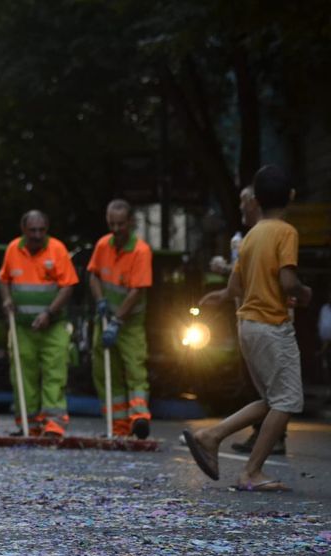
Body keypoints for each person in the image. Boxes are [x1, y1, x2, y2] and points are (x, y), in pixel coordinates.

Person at [183, 165, 312, 491]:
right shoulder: (286, 232)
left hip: (247, 325)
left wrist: (221, 296)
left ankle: (211, 435)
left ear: (256, 200)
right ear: (291, 196)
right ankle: (251, 472)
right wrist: (302, 292)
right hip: (271, 326)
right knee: (287, 401)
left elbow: (235, 285)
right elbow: (286, 280)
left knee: (271, 398)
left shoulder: (251, 235)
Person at [200, 185, 286, 454]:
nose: (239, 208)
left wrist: (298, 291)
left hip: (266, 320)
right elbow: (242, 280)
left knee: (278, 393)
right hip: (253, 319)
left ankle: (226, 439)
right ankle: (252, 451)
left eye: (243, 202)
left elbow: (265, 278)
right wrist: (225, 292)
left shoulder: (276, 234)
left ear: (256, 203)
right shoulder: (252, 237)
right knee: (274, 393)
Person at [0, 210, 79, 437]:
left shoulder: (57, 250)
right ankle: (28, 423)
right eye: (32, 230)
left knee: (55, 373)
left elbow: (68, 286)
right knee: (23, 375)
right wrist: (6, 299)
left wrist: (49, 313)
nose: (37, 235)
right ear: (24, 230)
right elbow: (4, 280)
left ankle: (53, 425)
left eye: (41, 230)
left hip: (53, 326)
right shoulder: (14, 249)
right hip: (23, 327)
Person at [88, 199, 153, 439]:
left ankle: (139, 418)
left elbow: (136, 291)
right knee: (106, 371)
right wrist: (100, 301)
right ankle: (117, 426)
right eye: (111, 224)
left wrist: (117, 322)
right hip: (105, 319)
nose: (116, 229)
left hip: (129, 323)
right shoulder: (103, 245)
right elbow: (93, 275)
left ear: (131, 222)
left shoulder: (140, 251)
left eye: (121, 224)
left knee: (135, 369)